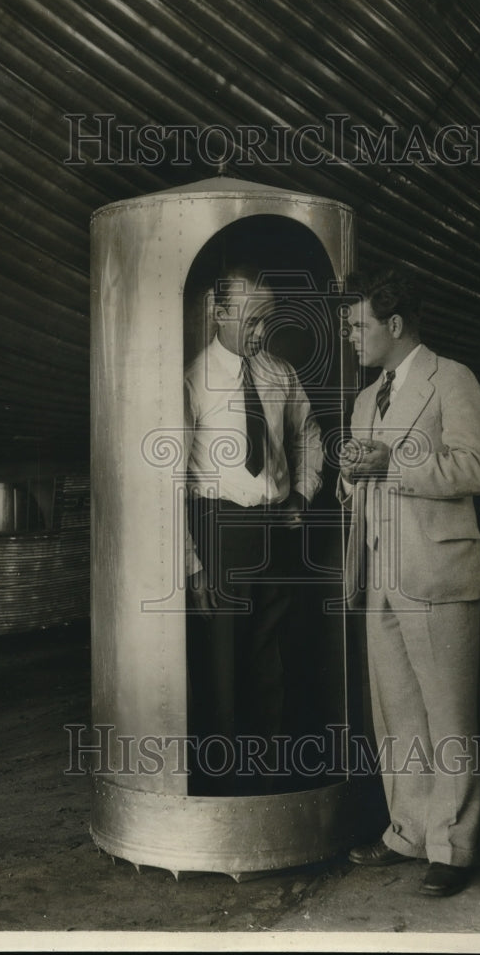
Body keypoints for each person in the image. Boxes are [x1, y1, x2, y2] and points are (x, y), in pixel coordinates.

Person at [338, 268, 480, 897]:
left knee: (447, 716)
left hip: (437, 571)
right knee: (398, 714)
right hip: (381, 575)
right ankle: (407, 829)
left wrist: (392, 462)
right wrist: (349, 474)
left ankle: (452, 848)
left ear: (394, 325)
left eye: (358, 325)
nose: (351, 337)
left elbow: (476, 467)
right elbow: (359, 485)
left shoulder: (450, 379)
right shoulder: (363, 398)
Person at [184, 262, 323, 794]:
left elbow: (309, 435)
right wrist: (193, 564)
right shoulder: (193, 379)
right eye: (253, 320)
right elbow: (171, 480)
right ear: (219, 313)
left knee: (274, 657)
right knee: (222, 665)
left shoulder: (279, 373)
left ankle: (270, 780)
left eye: (270, 320)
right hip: (219, 532)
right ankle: (224, 788)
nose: (263, 333)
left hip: (274, 531)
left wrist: (302, 497)